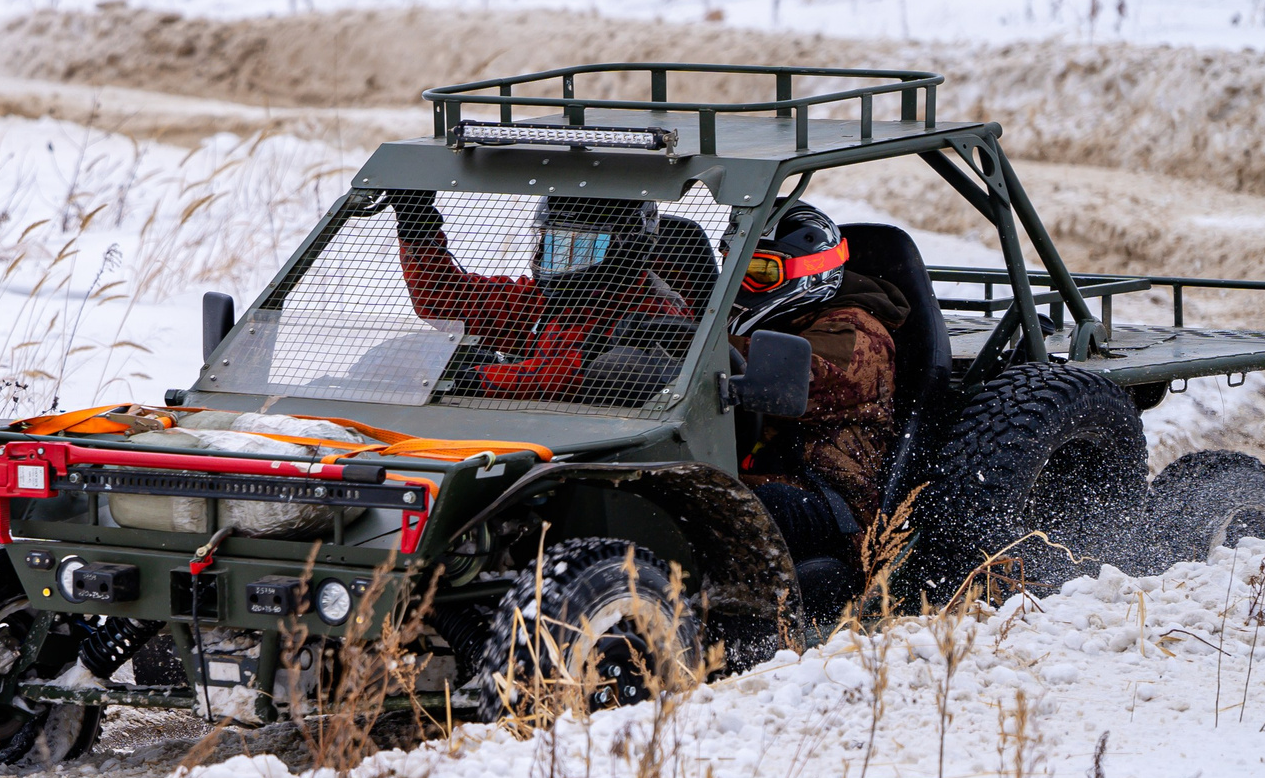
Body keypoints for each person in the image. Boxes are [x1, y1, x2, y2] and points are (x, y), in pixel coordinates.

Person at [726, 202, 911, 564]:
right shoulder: (748, 323)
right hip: (756, 473)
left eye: (760, 271)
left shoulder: (857, 331)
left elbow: (804, 376)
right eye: (733, 264)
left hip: (835, 503)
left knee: (753, 508)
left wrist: (694, 347)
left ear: (810, 272)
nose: (742, 282)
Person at [387, 191, 694, 405]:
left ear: (624, 248)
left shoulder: (655, 314)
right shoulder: (547, 300)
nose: (557, 258)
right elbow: (445, 300)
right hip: (524, 430)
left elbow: (568, 374)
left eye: (579, 247)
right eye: (552, 243)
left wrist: (471, 380)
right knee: (401, 357)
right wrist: (417, 224)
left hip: (595, 443)